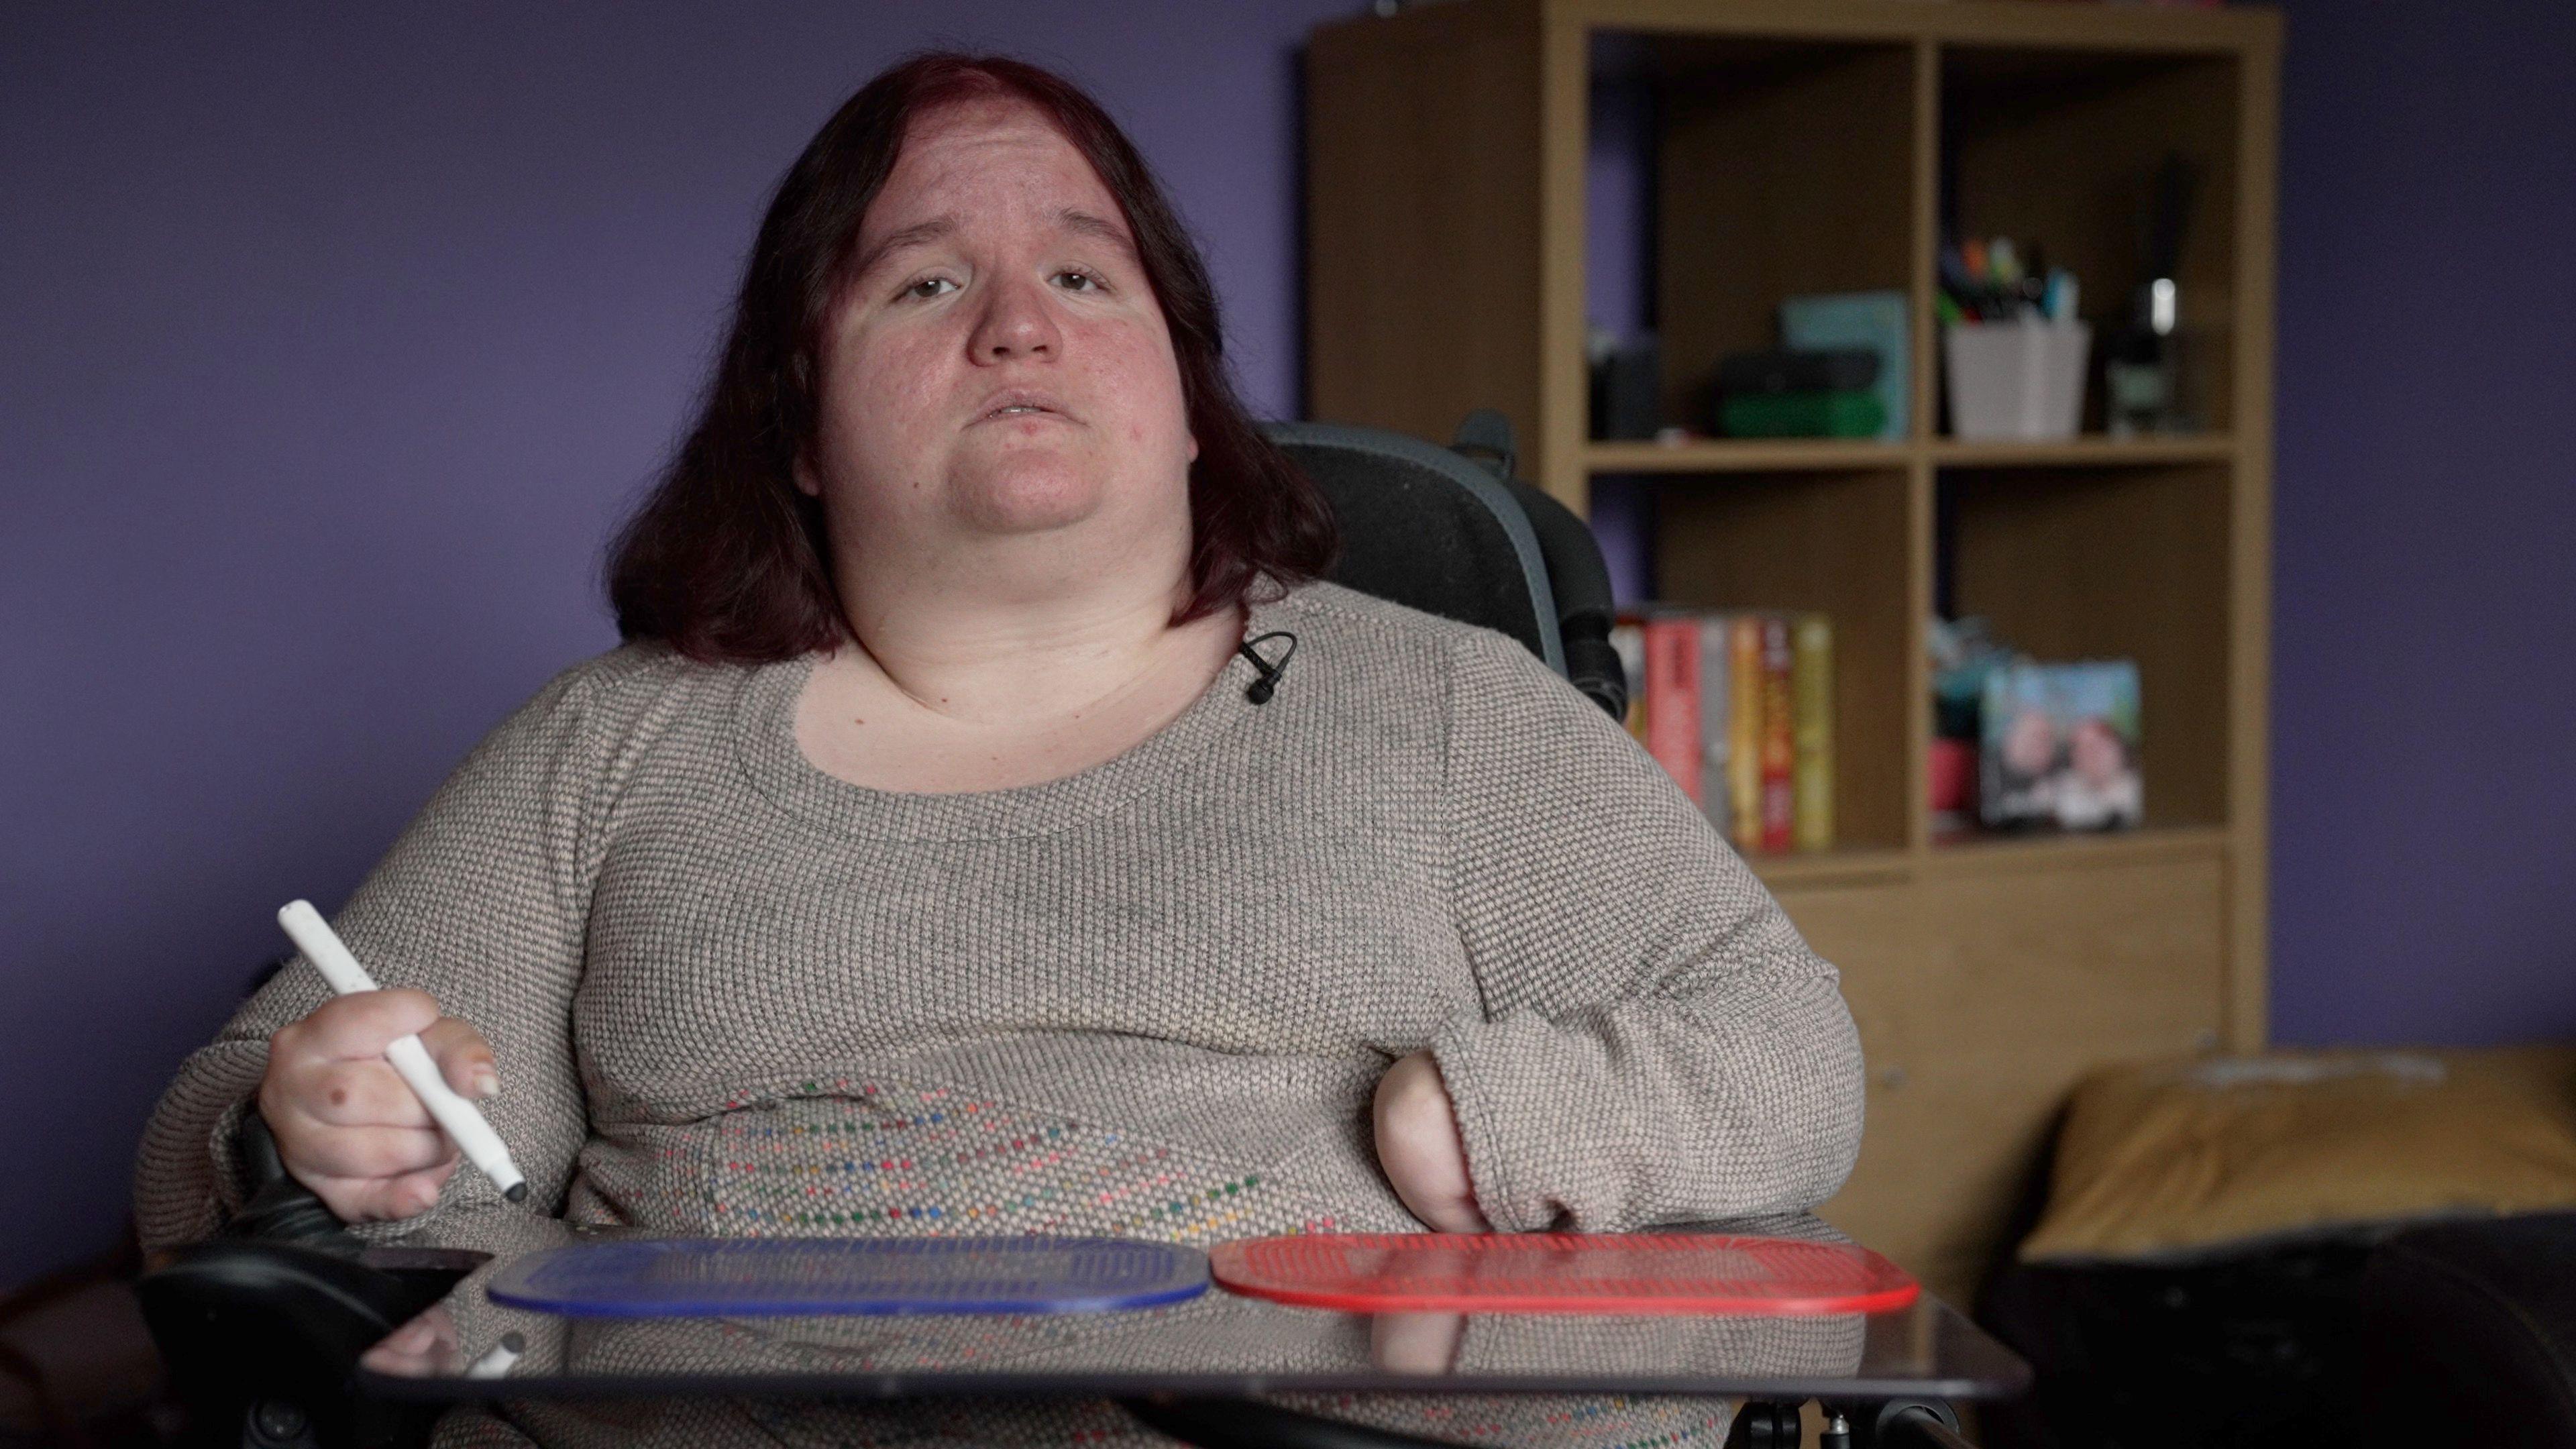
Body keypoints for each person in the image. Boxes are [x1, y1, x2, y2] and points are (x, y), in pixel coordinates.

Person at [136, 52, 1864, 1446]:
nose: (1017, 324)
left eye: (1083, 274)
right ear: (799, 429)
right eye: (926, 281)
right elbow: (217, 1140)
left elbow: (1790, 1056)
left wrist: (1492, 1115)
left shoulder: (1444, 713)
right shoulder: (616, 747)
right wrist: (309, 1129)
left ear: (1187, 400)